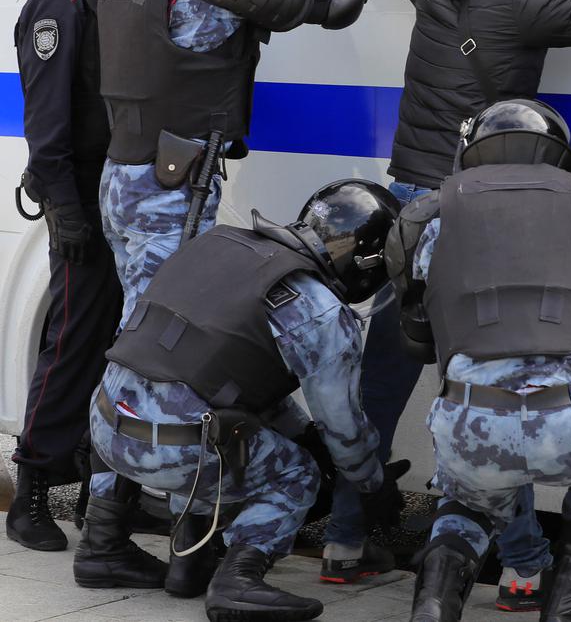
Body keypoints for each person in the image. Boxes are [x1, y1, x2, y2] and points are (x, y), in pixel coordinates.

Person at [299, 0, 571, 602]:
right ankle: (527, 569)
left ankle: (343, 541)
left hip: (408, 202)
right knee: (496, 383)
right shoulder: (531, 0)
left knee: (382, 378)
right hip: (476, 210)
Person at [97, 0, 386, 332]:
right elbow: (339, 1)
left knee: (142, 319)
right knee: (160, 334)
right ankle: (135, 416)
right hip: (169, 193)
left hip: (126, 179)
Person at [79, 180, 407, 622]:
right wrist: (371, 483)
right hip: (175, 450)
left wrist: (298, 431)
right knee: (295, 473)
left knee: (202, 418)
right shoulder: (322, 311)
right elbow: (344, 432)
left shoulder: (218, 242)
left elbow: (220, 375)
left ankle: (128, 550)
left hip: (103, 424)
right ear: (367, 264)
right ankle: (239, 580)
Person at [384, 99, 571, 622]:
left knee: (465, 502)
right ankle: (567, 605)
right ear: (559, 154)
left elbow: (417, 338)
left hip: (471, 421)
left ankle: (434, 607)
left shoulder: (426, 216)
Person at [6, 0, 143, 552]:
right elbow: (49, 129)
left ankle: (103, 485)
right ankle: (31, 489)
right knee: (70, 343)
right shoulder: (62, 5)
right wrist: (67, 215)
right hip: (83, 198)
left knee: (125, 350)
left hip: (131, 196)